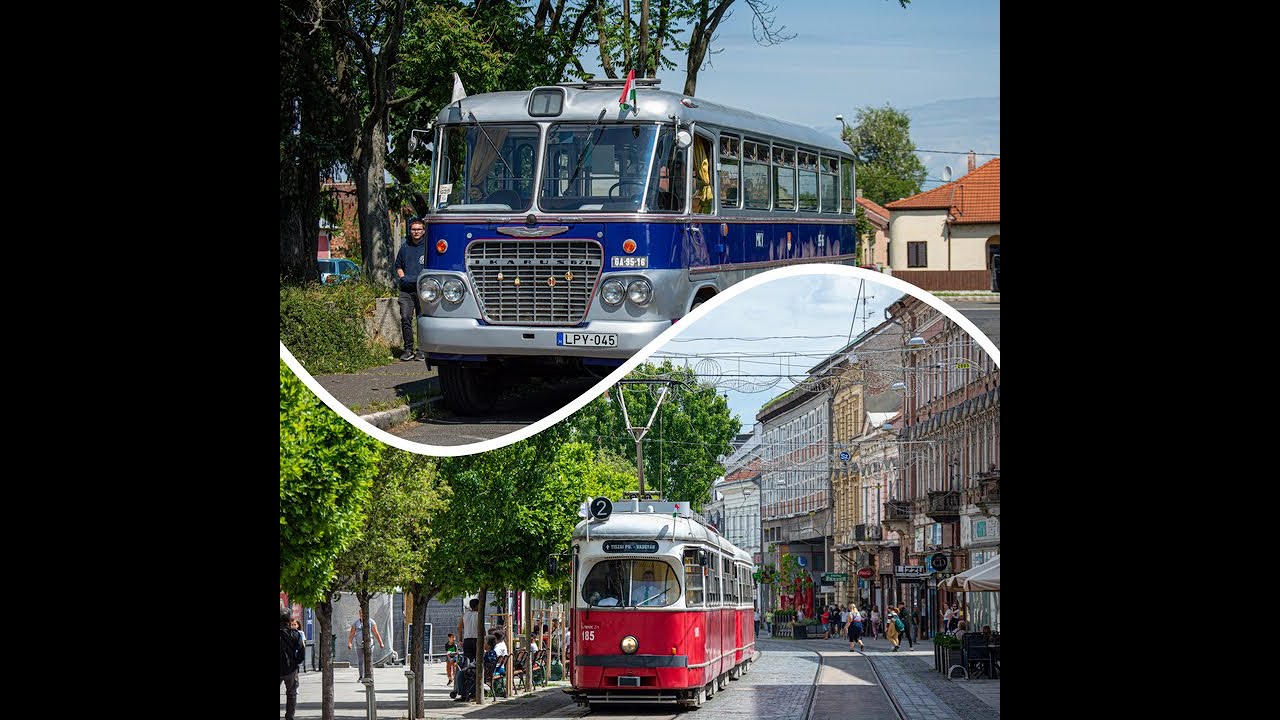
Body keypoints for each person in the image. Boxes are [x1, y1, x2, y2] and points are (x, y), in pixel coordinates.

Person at [395, 217, 428, 361]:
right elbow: (398, 265)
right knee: (406, 318)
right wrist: (402, 278)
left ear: (423, 230)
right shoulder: (405, 246)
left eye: (419, 229)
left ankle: (422, 350)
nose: (416, 232)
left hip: (424, 291)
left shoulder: (427, 247)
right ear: (410, 230)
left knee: (422, 320)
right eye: (414, 229)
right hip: (406, 290)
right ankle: (408, 349)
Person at [280, 607, 305, 720]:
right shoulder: (294, 634)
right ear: (290, 620)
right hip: (290, 668)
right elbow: (301, 651)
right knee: (291, 693)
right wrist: (296, 662)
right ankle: (289, 716)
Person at [348, 608, 385, 680]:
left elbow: (376, 633)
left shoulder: (371, 622)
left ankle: (368, 675)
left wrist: (381, 643)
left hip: (369, 644)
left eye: (363, 613)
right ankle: (361, 676)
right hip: (359, 644)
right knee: (360, 661)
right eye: (360, 613)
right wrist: (349, 643)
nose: (362, 615)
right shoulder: (356, 623)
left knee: (368, 660)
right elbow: (352, 634)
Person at [458, 597, 480, 674]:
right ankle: (476, 676)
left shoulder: (464, 615)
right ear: (477, 606)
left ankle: (468, 675)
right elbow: (481, 629)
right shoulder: (479, 615)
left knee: (467, 660)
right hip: (477, 640)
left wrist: (460, 639)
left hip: (467, 640)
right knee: (478, 660)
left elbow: (459, 627)